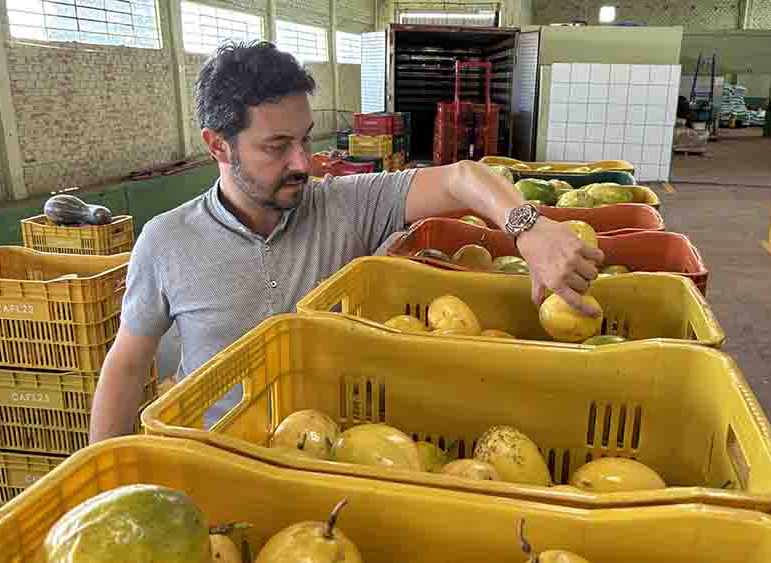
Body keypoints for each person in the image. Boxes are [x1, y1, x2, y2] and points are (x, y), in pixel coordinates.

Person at [88, 41, 603, 442]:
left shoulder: (344, 205)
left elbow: (461, 176)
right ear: (217, 145)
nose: (302, 162)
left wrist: (527, 227)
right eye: (276, 146)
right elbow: (129, 363)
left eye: (306, 138)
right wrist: (102, 478)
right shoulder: (165, 242)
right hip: (222, 451)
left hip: (339, 446)